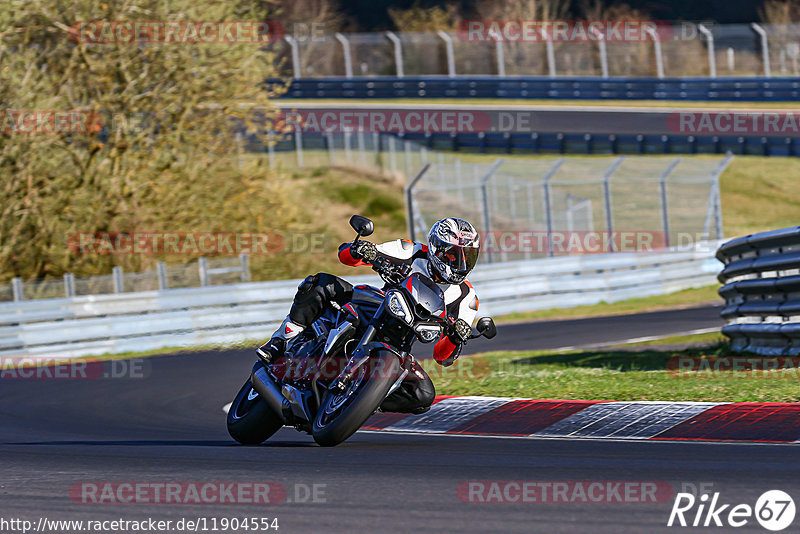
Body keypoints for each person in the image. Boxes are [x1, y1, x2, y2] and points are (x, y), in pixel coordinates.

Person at [257, 217, 481, 414]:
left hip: (401, 343)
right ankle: (280, 340)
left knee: (422, 395)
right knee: (321, 283)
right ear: (436, 248)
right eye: (453, 254)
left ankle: (359, 402)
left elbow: (443, 357)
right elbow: (346, 256)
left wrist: (455, 337)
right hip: (374, 306)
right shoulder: (411, 251)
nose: (460, 263)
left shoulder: (466, 297)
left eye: (467, 256)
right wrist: (362, 250)